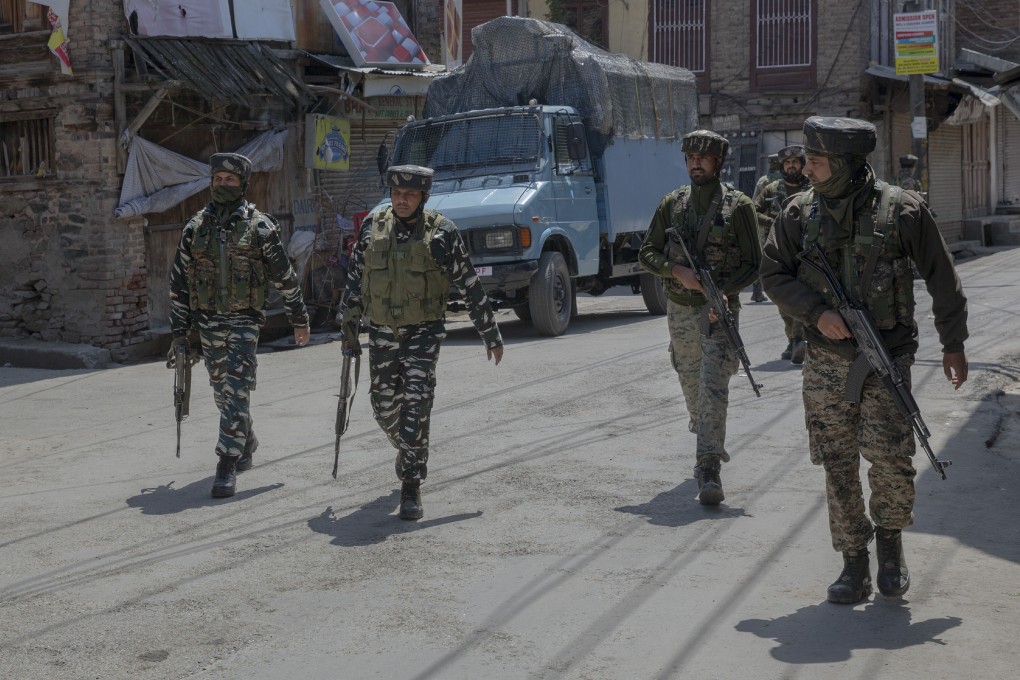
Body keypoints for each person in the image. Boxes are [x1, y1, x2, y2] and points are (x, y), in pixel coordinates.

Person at [760, 117, 969, 604]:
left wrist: (953, 344)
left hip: (886, 359)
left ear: (847, 164)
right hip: (827, 360)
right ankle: (853, 562)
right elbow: (773, 274)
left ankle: (891, 552)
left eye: (816, 161)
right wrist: (817, 313)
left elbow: (942, 279)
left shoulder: (903, 211)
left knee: (892, 460)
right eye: (806, 160)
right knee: (836, 463)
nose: (806, 169)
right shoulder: (797, 214)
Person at [337, 164, 504, 521]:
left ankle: (411, 483)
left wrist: (490, 333)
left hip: (423, 333)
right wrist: (348, 329)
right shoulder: (371, 228)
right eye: (397, 194)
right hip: (382, 332)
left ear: (423, 198)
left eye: (409, 195)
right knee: (383, 406)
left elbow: (469, 284)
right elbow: (354, 281)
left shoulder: (442, 232)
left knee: (416, 401)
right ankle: (411, 446)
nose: (401, 200)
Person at [168, 152, 311, 499]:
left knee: (235, 389)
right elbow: (178, 282)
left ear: (243, 184)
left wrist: (299, 319)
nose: (222, 184)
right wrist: (178, 333)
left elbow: (284, 276)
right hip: (208, 324)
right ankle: (245, 440)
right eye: (218, 179)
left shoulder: (259, 227)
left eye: (230, 180)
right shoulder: (195, 228)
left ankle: (226, 464)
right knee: (224, 393)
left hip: (244, 323)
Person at [639, 130, 762, 506]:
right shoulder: (672, 204)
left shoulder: (738, 206)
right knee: (690, 379)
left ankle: (708, 466)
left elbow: (753, 263)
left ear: (718, 162)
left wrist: (723, 291)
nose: (696, 162)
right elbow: (647, 253)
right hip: (679, 309)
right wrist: (676, 272)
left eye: (703, 157)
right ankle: (702, 426)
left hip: (718, 309)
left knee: (713, 386)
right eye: (691, 156)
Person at [753, 144, 812, 363]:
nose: (790, 166)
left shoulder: (812, 188)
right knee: (783, 300)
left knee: (803, 293)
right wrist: (774, 223)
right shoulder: (772, 189)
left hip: (806, 252)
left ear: (801, 164)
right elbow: (754, 210)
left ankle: (801, 340)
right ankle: (792, 338)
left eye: (795, 162)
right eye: (787, 163)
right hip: (779, 253)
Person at [749, 153, 782, 302]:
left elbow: (754, 202)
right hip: (780, 223)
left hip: (764, 225)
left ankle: (757, 291)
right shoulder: (782, 181)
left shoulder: (763, 181)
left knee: (762, 258)